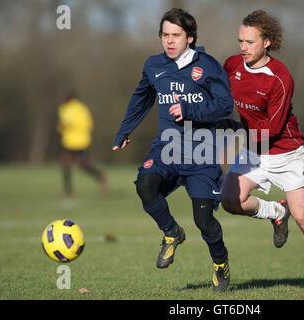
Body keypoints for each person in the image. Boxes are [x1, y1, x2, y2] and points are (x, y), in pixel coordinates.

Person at [112, 8, 233, 292]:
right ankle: (171, 232)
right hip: (167, 147)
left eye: (176, 35)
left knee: (204, 221)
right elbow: (141, 98)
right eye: (165, 35)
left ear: (190, 38)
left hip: (202, 153)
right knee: (145, 183)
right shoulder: (154, 65)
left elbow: (225, 105)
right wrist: (124, 130)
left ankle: (220, 263)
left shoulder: (209, 66)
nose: (169, 41)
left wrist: (190, 109)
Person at [220, 10, 304, 290]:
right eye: (240, 41)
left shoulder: (280, 77)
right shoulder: (232, 65)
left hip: (286, 152)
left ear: (267, 42)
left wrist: (235, 130)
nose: (243, 47)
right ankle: (275, 212)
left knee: (303, 218)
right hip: (254, 152)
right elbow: (219, 96)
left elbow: (273, 127)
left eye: (250, 42)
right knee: (229, 200)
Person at [57, 91, 107, 197]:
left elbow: (88, 124)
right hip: (68, 142)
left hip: (81, 141)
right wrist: (62, 127)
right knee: (65, 163)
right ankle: (68, 189)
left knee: (83, 165)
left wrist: (72, 125)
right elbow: (62, 124)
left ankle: (100, 176)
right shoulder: (63, 108)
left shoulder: (81, 109)